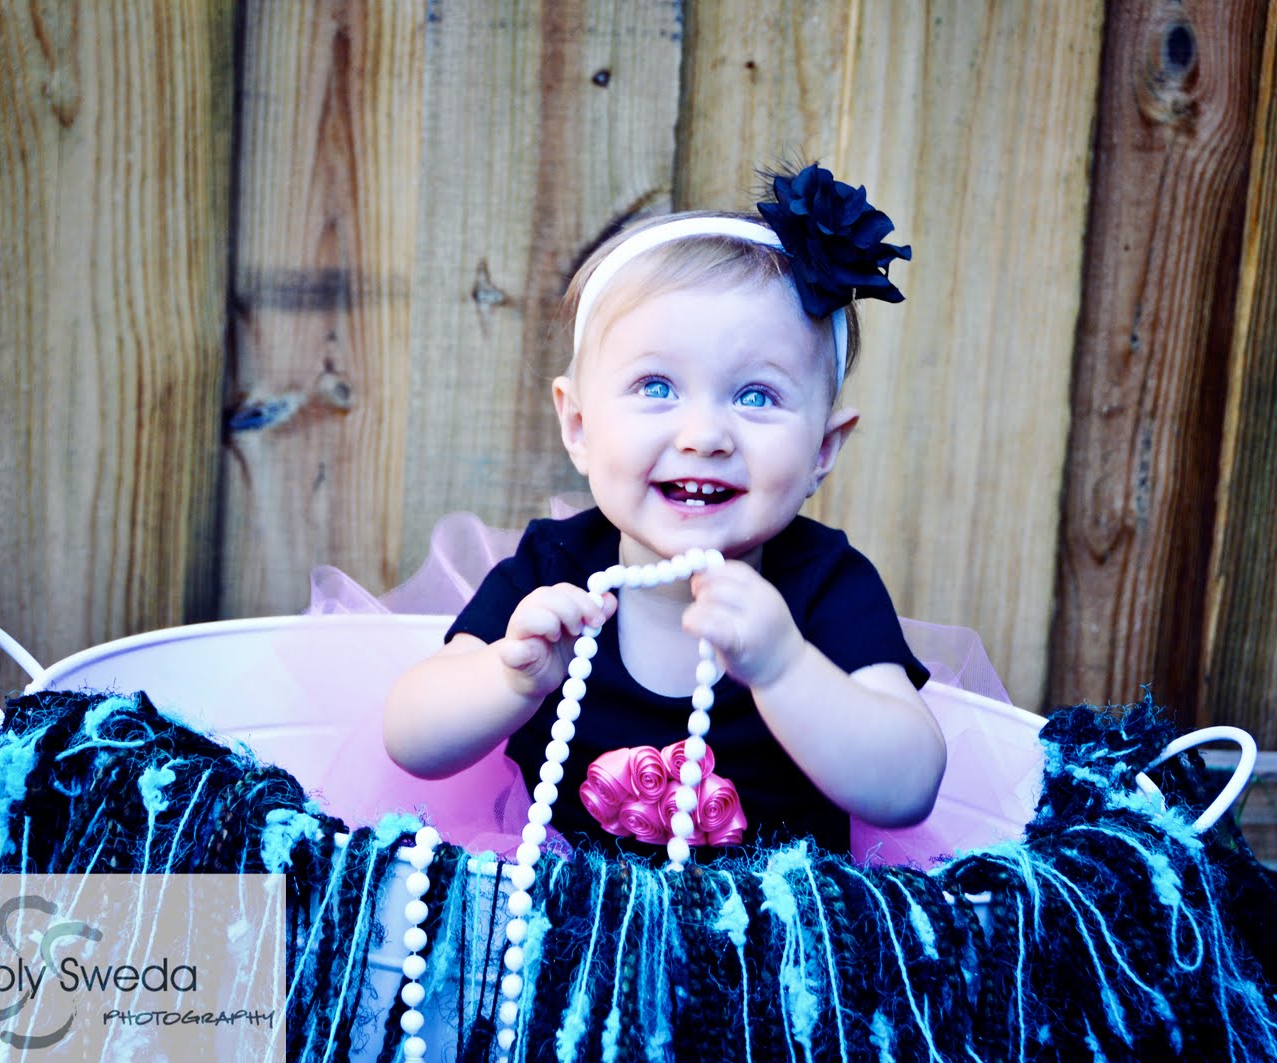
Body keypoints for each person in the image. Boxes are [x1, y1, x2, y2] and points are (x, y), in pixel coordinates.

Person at [384, 164, 940, 858]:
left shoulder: (824, 586)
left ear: (823, 449)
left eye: (757, 396)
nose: (703, 436)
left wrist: (786, 669)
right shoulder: (554, 569)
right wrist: (508, 678)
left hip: (765, 925)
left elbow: (910, 786)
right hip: (564, 916)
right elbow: (410, 736)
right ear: (579, 426)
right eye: (656, 387)